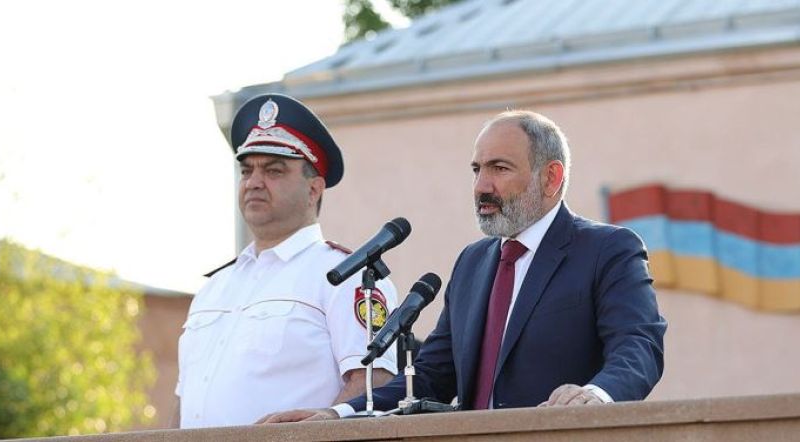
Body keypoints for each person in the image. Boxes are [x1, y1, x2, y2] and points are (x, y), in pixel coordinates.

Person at [257, 109, 666, 423]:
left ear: (551, 178)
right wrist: (337, 413)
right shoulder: (473, 262)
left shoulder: (606, 250)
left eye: (499, 168)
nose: (481, 186)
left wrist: (596, 395)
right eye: (477, 170)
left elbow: (638, 346)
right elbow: (431, 375)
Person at [172, 93, 398, 428]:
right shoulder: (214, 287)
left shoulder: (347, 275)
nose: (254, 183)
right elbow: (186, 401)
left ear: (314, 189)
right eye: (246, 170)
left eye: (273, 171)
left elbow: (372, 382)